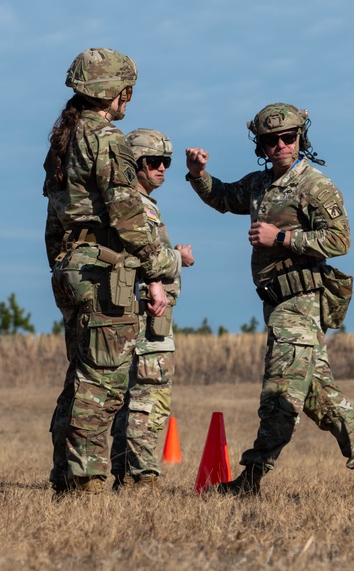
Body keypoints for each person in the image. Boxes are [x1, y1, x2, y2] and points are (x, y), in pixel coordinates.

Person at [185, 103, 354, 496]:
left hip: (300, 302)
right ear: (260, 145)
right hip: (277, 304)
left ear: (301, 138)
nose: (280, 145)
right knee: (318, 395)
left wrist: (281, 238)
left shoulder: (316, 186)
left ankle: (251, 479)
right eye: (270, 140)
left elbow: (339, 240)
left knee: (280, 392)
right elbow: (226, 196)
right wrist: (198, 176)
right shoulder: (259, 184)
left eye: (288, 137)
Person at [44, 48, 174, 495]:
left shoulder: (64, 139)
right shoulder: (105, 137)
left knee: (80, 376)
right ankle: (87, 483)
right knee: (102, 384)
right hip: (102, 271)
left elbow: (53, 217)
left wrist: (61, 266)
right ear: (112, 91)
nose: (128, 100)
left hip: (71, 267)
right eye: (127, 91)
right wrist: (158, 265)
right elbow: (125, 212)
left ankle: (66, 475)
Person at [111, 129, 194, 489]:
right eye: (154, 162)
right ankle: (142, 476)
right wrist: (179, 257)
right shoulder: (138, 206)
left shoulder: (133, 202)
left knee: (131, 396)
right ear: (136, 164)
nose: (162, 168)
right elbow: (148, 259)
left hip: (141, 312)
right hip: (149, 315)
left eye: (167, 162)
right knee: (149, 396)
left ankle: (125, 475)